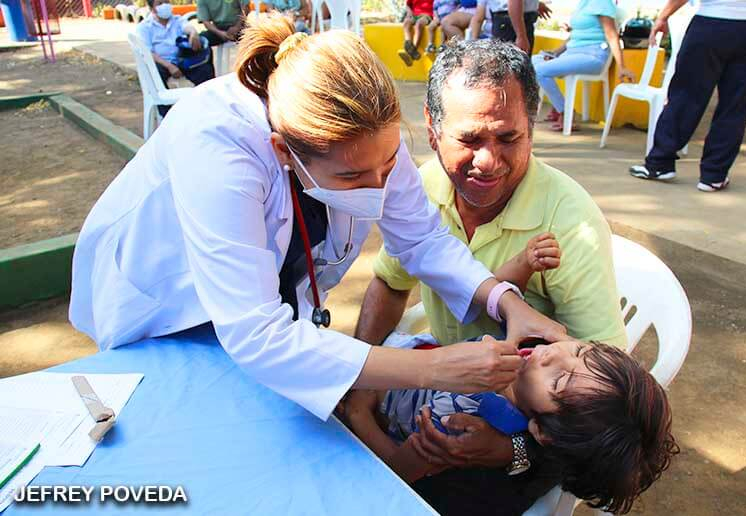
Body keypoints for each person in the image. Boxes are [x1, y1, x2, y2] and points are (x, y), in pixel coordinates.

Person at [69, 15, 566, 424]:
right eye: (353, 176)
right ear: (286, 152)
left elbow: (423, 239)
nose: (379, 185)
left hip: (255, 315)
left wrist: (504, 302)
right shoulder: (218, 145)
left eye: (390, 163)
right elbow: (258, 333)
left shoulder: (369, 139)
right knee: (179, 418)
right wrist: (431, 368)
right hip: (163, 305)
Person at [355, 38, 627, 513]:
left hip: (523, 440)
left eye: (509, 138)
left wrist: (511, 451)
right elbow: (390, 283)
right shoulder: (422, 187)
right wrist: (360, 376)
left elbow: (600, 397)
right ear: (433, 130)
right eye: (469, 140)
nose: (489, 161)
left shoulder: (571, 225)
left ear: (532, 130)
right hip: (431, 384)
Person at [338, 339, 678, 515]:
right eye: (579, 349)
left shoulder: (463, 431)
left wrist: (359, 416)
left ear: (542, 433)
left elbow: (395, 474)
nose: (551, 354)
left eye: (558, 381)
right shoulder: (530, 373)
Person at [629, 0, 746, 191]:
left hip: (713, 22)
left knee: (686, 94)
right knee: (736, 104)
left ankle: (659, 163)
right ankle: (714, 175)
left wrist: (664, 16)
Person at [531, 0, 635, 132]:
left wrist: (622, 66)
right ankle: (560, 107)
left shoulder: (602, 2)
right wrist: (555, 53)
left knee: (540, 71)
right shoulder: (583, 3)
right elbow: (574, 36)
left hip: (593, 55)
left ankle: (565, 111)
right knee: (532, 61)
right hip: (572, 53)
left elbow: (611, 34)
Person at [136, 0, 216, 115]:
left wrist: (193, 33)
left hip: (182, 59)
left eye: (166, 1)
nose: (165, 5)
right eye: (160, 3)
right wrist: (169, 66)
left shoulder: (177, 20)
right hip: (162, 63)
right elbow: (147, 53)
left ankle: (208, 107)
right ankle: (166, 116)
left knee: (204, 67)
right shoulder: (144, 27)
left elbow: (187, 27)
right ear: (152, 8)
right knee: (155, 74)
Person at [397, 0, 434, 66]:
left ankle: (412, 50)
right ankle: (409, 46)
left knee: (419, 24)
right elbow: (408, 5)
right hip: (415, 15)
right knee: (406, 22)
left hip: (427, 14)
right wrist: (409, 12)